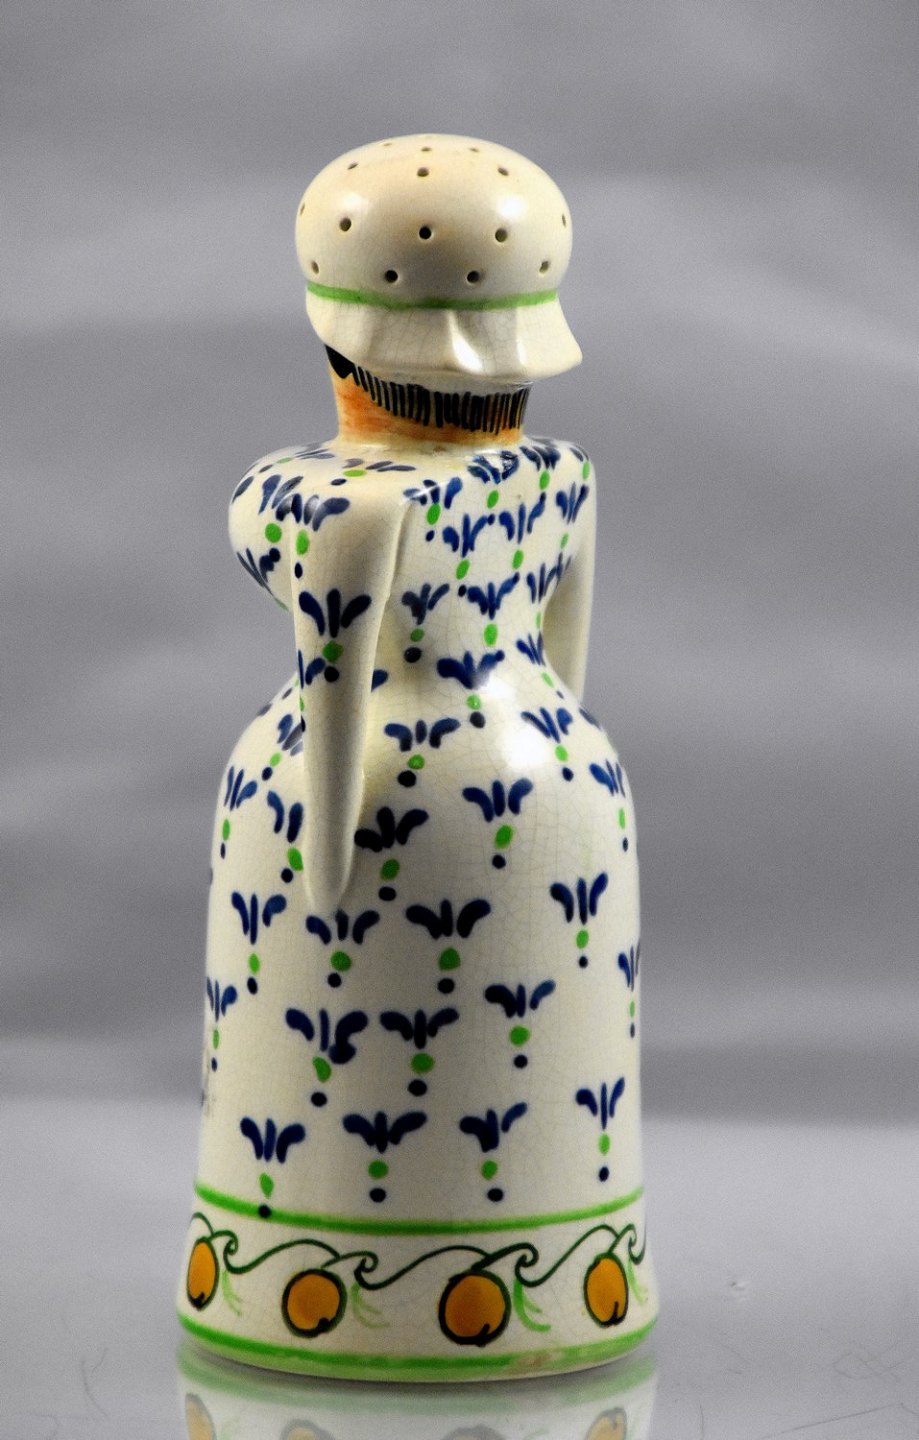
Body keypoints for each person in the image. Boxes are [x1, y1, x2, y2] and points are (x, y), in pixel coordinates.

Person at [179, 134, 656, 1380]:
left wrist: (327, 844)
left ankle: (287, 1288)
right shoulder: (560, 473)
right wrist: (558, 767)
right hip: (553, 770)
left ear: (338, 341)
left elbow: (333, 679)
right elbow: (564, 658)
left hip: (337, 785)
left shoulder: (321, 498)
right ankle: (573, 1285)